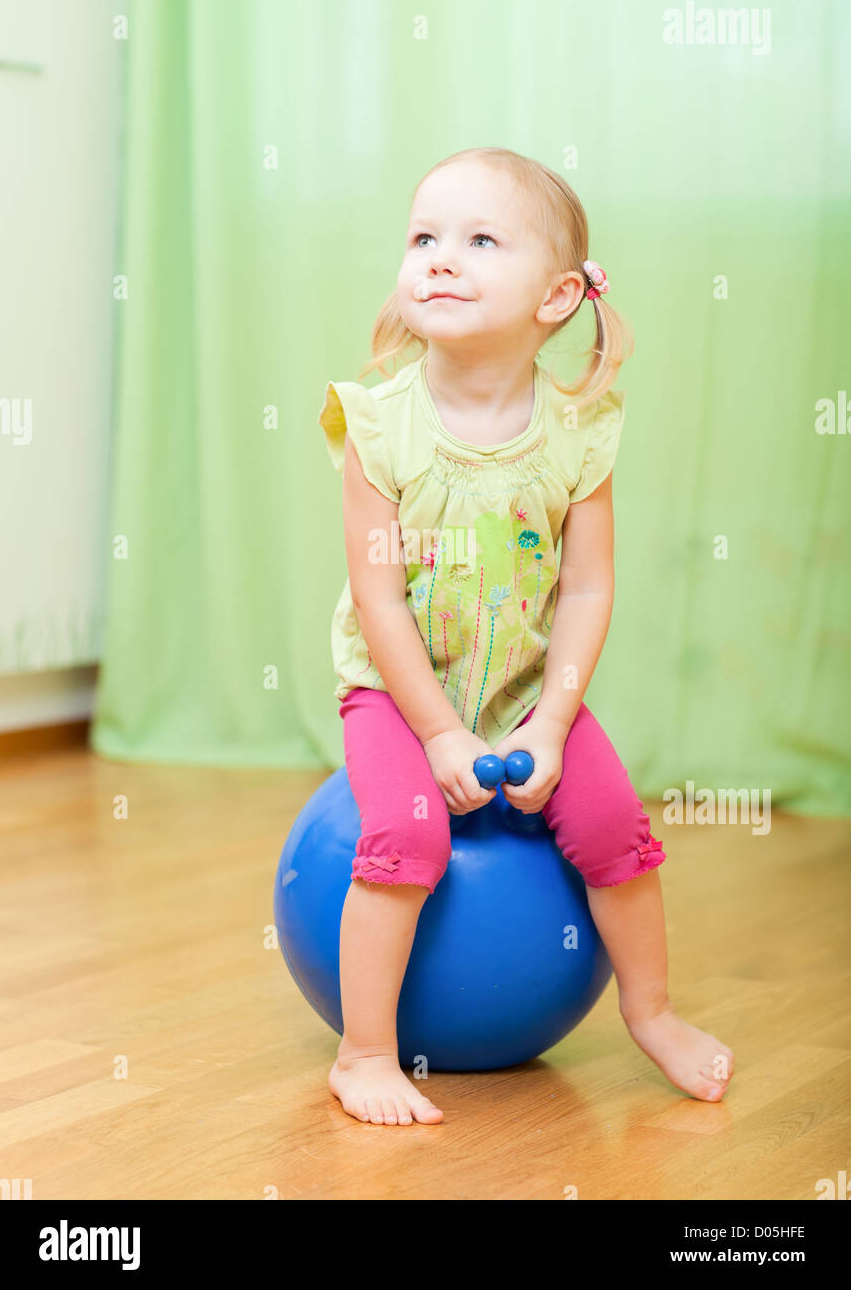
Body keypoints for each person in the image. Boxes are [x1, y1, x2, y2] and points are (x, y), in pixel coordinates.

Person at [317, 147, 733, 1125]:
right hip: (395, 685)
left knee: (615, 832)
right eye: (423, 237)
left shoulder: (578, 428)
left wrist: (549, 721)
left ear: (554, 298)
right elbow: (377, 600)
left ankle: (654, 1012)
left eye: (477, 240)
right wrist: (438, 735)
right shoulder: (378, 424)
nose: (439, 258)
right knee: (404, 835)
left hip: (520, 685)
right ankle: (364, 1050)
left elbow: (587, 588)